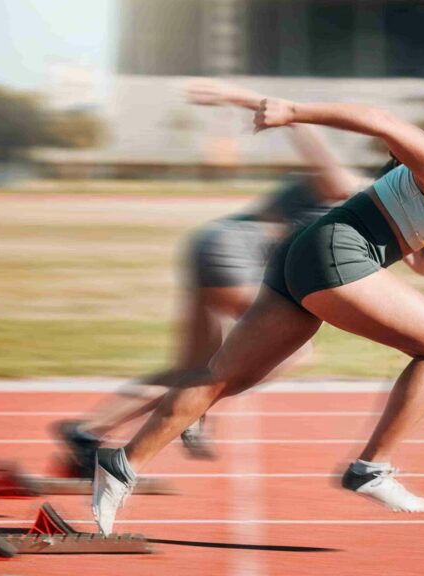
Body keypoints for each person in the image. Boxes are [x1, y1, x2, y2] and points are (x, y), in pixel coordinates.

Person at [91, 94, 424, 535]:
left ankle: (121, 466)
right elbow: (383, 121)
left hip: (308, 254)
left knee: (222, 378)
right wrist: (292, 112)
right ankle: (371, 469)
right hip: (335, 250)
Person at [54, 82, 369, 476]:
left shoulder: (375, 215)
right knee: (293, 349)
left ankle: (85, 432)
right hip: (232, 253)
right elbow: (301, 125)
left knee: (191, 368)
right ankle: (196, 408)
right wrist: (238, 97)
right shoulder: (347, 185)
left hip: (214, 246)